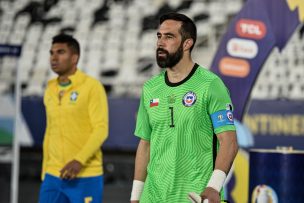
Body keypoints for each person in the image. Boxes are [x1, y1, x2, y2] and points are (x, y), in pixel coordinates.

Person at [130, 13, 238, 203]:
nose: (160, 43)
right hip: (153, 197)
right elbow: (144, 145)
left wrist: (214, 187)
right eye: (159, 36)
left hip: (194, 197)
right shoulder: (150, 88)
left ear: (187, 44)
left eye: (169, 37)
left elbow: (229, 141)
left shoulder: (211, 85)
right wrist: (135, 197)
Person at [39, 34, 108, 203]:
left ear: (74, 58)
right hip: (53, 175)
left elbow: (101, 129)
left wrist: (79, 160)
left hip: (86, 175)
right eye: (51, 53)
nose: (54, 58)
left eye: (60, 52)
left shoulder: (92, 86)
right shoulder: (50, 89)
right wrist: (46, 169)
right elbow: (50, 130)